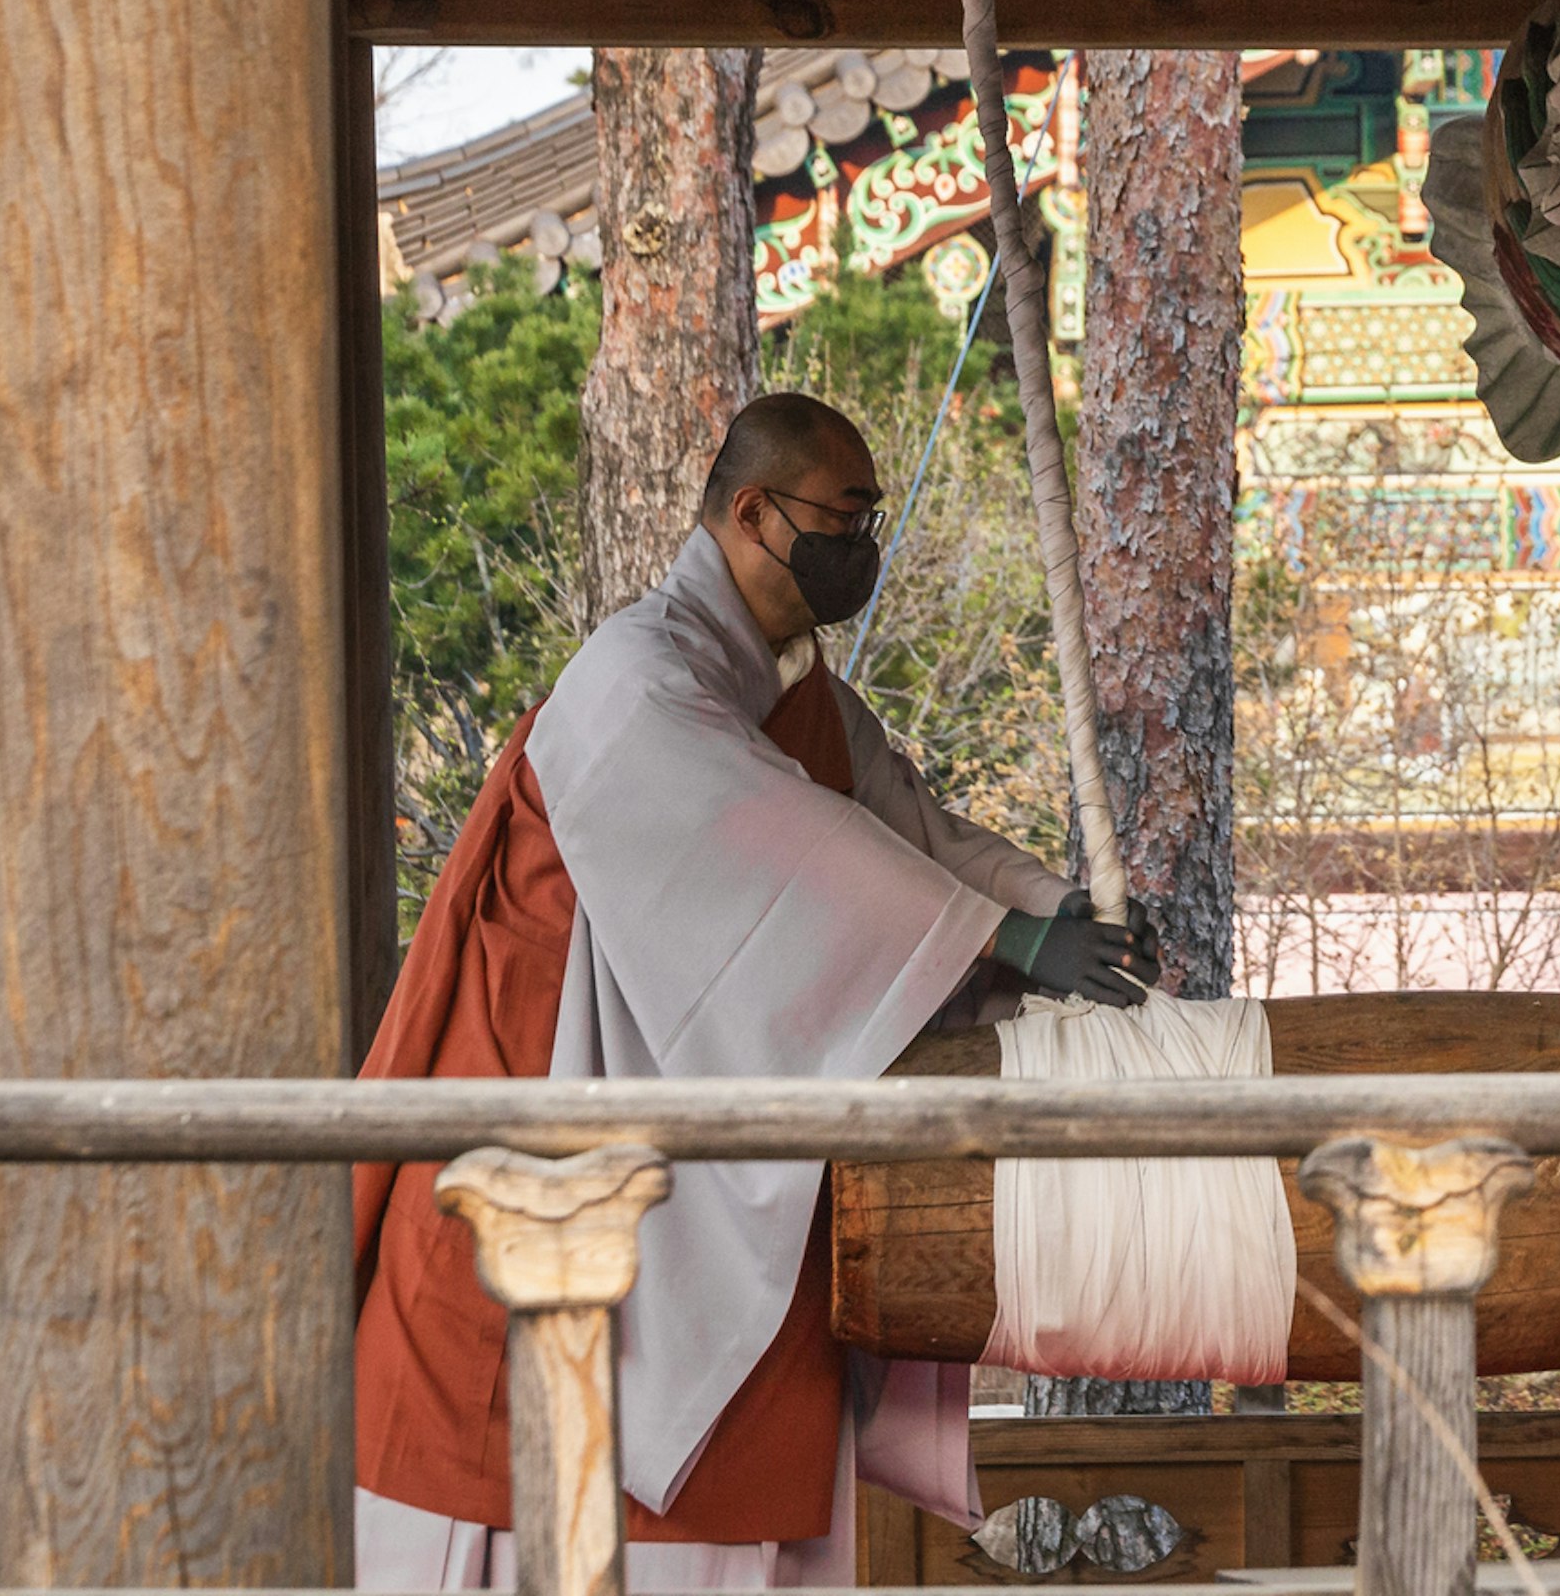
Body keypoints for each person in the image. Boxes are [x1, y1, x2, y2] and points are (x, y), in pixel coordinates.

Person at [351, 393, 1150, 1589]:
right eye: (845, 515)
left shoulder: (798, 690)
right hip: (544, 1104)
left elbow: (912, 834)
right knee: (506, 1409)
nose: (863, 546)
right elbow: (785, 842)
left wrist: (1048, 910)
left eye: (871, 517)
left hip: (706, 1142)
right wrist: (1001, 941)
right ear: (751, 511)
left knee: (752, 1419)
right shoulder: (635, 678)